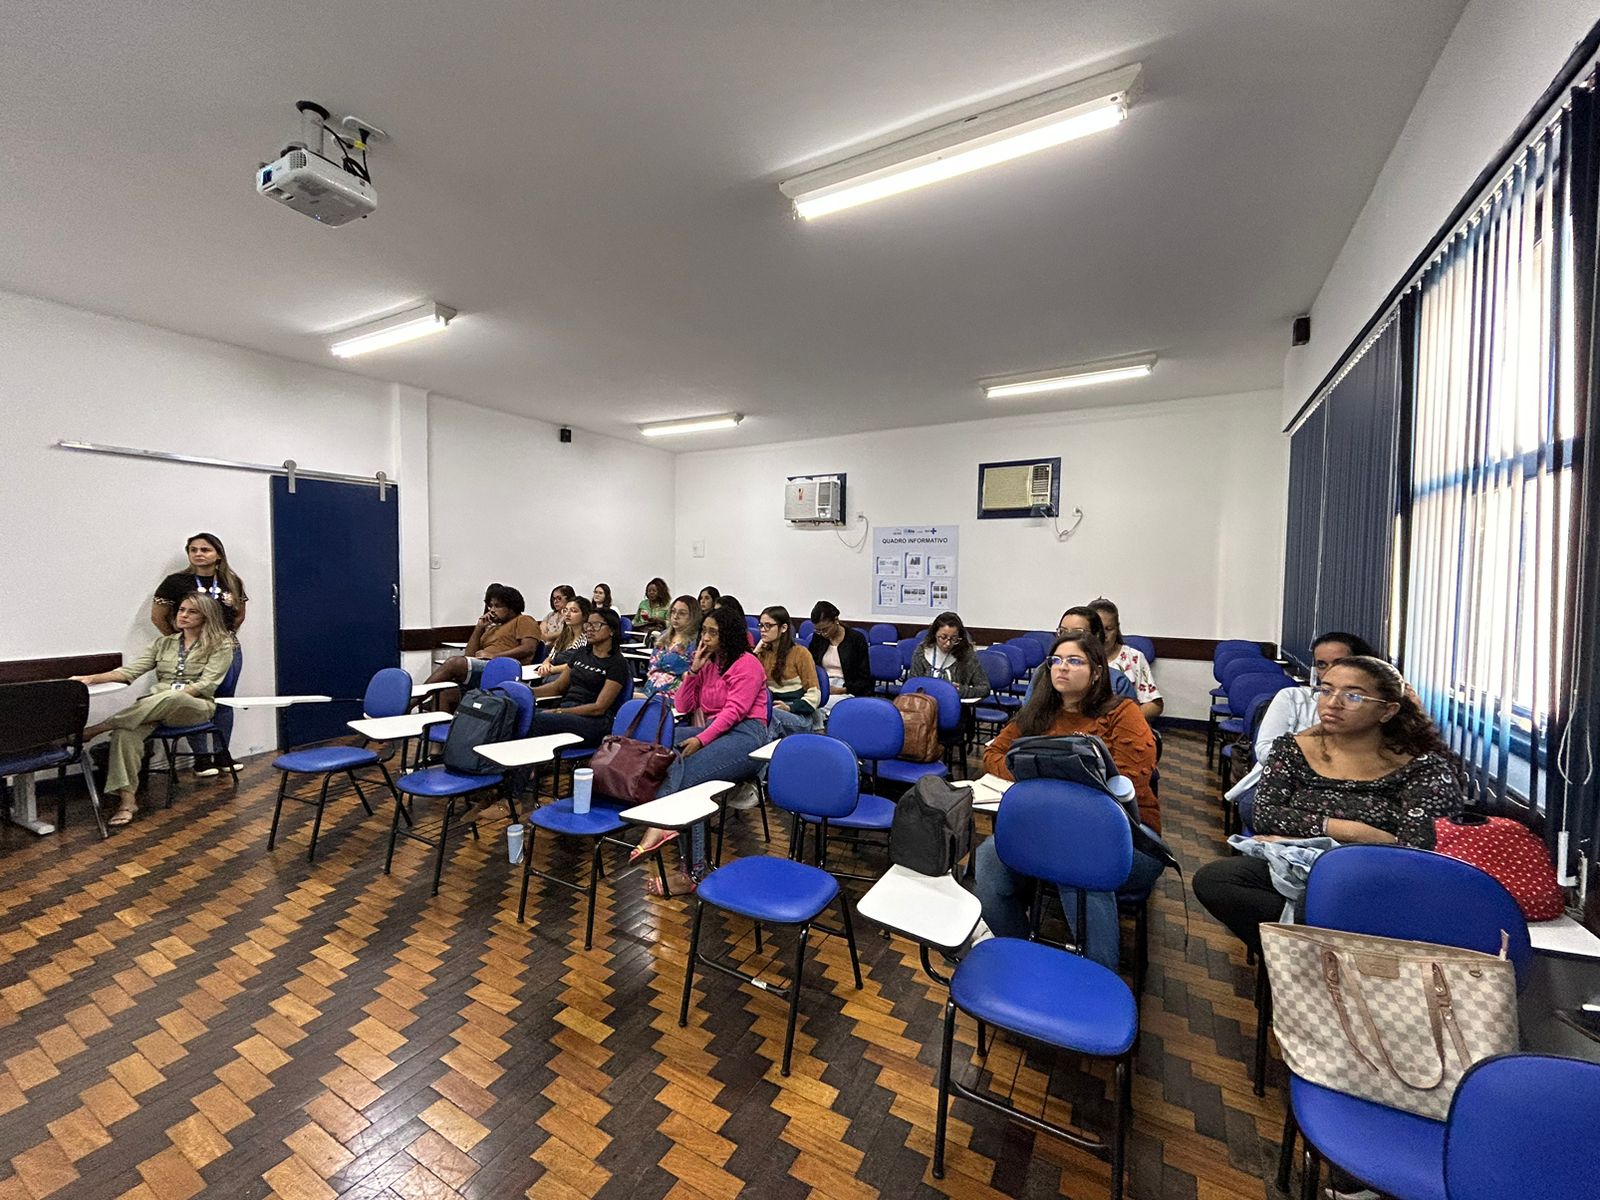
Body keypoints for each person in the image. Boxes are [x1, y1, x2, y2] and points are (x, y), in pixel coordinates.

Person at [1193, 655, 1464, 957]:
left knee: (1333, 897)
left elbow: (1417, 848)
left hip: (1381, 877)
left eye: (1353, 695)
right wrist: (1357, 832)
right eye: (1325, 690)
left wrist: (1346, 837)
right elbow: (1266, 815)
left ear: (1388, 711)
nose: (1333, 703)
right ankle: (1317, 961)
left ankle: (1316, 962)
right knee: (1217, 880)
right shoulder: (1293, 749)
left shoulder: (1423, 769)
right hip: (1299, 862)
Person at [974, 632, 1163, 969]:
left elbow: (1129, 779)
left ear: (1096, 672)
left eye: (1074, 661)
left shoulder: (1123, 712)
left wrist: (1053, 784)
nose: (1061, 668)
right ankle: (1018, 957)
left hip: (1127, 837)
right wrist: (1032, 774)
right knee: (989, 860)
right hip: (1049, 828)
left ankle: (1098, 978)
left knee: (1073, 862)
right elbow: (995, 754)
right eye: (1055, 661)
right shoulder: (1038, 713)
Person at [634, 605, 770, 892]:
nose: (706, 638)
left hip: (746, 736)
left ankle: (691, 871)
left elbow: (734, 712)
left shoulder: (747, 664)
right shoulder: (709, 663)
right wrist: (693, 670)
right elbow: (683, 706)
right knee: (662, 742)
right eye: (704, 631)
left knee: (689, 782)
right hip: (714, 730)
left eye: (713, 633)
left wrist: (701, 740)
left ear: (729, 635)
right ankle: (662, 825)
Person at [72, 594, 236, 827]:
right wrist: (90, 678)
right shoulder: (164, 644)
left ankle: (99, 727)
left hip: (194, 707)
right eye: (181, 610)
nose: (183, 615)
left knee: (171, 696)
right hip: (154, 707)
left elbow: (206, 685)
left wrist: (171, 696)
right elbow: (129, 672)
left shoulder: (221, 644)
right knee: (125, 734)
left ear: (206, 616)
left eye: (192, 612)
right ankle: (128, 802)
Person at [1223, 631, 1378, 804]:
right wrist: (1322, 730)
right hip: (1289, 785)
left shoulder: (1373, 706)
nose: (1329, 672)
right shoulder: (1293, 698)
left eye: (1340, 663)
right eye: (1321, 665)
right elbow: (1266, 754)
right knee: (1251, 806)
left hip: (1348, 791)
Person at [151, 532, 248, 775]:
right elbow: (158, 617)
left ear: (218, 554)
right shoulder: (175, 582)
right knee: (194, 699)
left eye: (205, 550)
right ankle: (201, 758)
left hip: (226, 649)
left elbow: (239, 614)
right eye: (193, 550)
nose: (198, 554)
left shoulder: (231, 581)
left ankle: (221, 754)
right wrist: (180, 640)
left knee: (224, 702)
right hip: (192, 650)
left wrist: (223, 637)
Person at [425, 585, 541, 710]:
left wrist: (494, 656)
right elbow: (469, 655)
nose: (492, 610)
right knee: (443, 693)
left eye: (497, 606)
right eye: (491, 606)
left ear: (511, 607)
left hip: (504, 670)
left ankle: (412, 699)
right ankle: (446, 728)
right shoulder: (492, 627)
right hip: (483, 667)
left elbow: (528, 648)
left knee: (454, 663)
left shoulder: (524, 620)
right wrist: (479, 628)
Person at [529, 607, 631, 747]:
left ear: (612, 630)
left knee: (536, 719)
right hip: (568, 709)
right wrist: (528, 692)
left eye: (596, 625)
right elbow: (558, 687)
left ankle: (527, 768)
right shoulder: (582, 653)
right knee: (522, 712)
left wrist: (560, 712)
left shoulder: (617, 663)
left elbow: (599, 707)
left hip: (593, 720)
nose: (589, 629)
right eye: (588, 624)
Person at [1088, 597, 1162, 720]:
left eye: (1109, 629)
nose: (1103, 636)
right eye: (1098, 630)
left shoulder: (1134, 657)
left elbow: (1155, 705)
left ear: (1117, 629)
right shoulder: (1077, 658)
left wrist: (1124, 720)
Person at [755, 606, 821, 735]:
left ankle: (756, 753)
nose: (763, 630)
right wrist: (755, 652)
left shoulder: (800, 653)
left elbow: (814, 694)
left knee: (770, 716)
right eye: (761, 625)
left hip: (799, 715)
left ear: (783, 628)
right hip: (771, 707)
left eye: (768, 626)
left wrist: (790, 707)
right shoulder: (762, 654)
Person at [908, 612, 988, 699]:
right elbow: (912, 684)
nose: (948, 643)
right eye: (943, 637)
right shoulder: (922, 652)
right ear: (934, 634)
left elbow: (984, 688)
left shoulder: (967, 655)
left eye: (954, 639)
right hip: (926, 708)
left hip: (957, 707)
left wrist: (962, 691)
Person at [808, 601, 872, 702]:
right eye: (818, 630)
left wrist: (841, 690)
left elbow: (864, 677)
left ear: (836, 620)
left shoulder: (856, 639)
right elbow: (810, 665)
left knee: (817, 704)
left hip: (847, 689)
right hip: (822, 686)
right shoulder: (818, 638)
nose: (822, 633)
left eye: (825, 629)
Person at [644, 595, 700, 700]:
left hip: (676, 696)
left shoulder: (695, 642)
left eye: (682, 613)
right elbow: (651, 666)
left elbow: (690, 675)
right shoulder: (663, 636)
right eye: (673, 612)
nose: (675, 616)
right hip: (651, 689)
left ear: (693, 616)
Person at [532, 596, 594, 677]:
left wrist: (552, 669)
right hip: (552, 673)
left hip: (571, 677)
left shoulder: (588, 638)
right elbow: (551, 656)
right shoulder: (564, 636)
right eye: (565, 610)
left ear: (585, 616)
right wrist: (546, 664)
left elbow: (579, 664)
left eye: (573, 611)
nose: (567, 614)